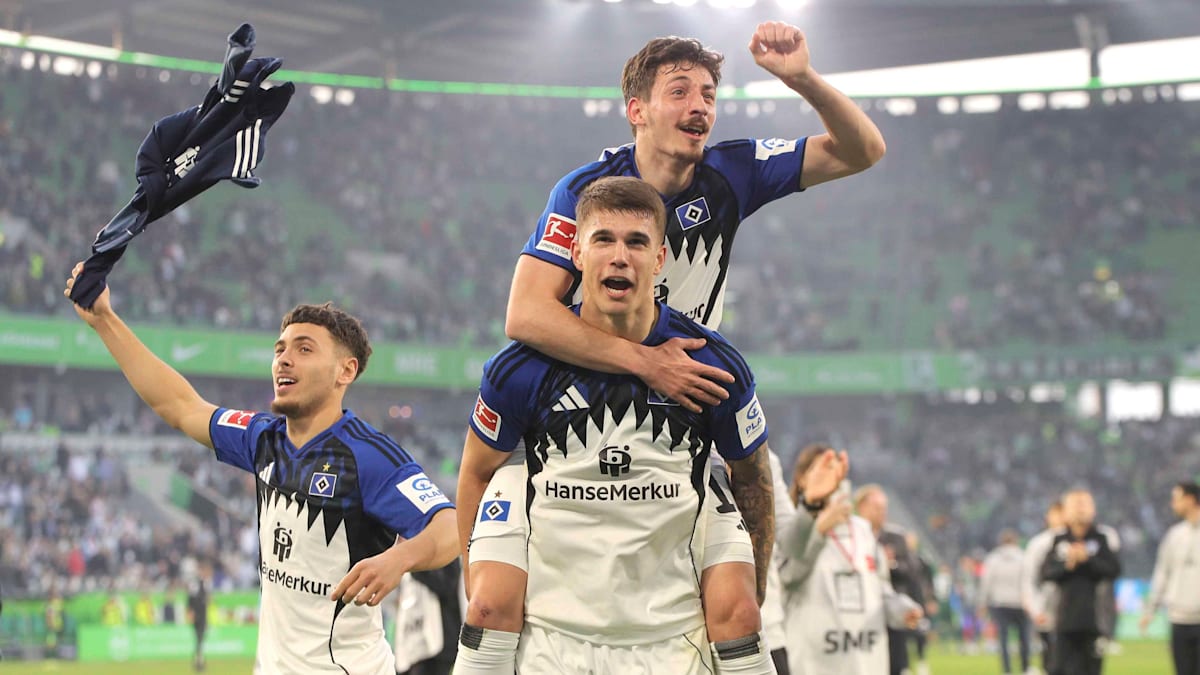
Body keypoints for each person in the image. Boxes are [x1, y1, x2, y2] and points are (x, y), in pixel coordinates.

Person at [461, 20, 887, 674]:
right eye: (680, 91)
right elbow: (526, 313)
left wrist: (802, 79)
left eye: (709, 94)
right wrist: (647, 361)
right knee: (515, 602)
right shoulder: (585, 193)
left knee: (745, 615)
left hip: (687, 409)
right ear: (637, 110)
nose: (699, 106)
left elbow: (864, 151)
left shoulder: (731, 171)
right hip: (582, 407)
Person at [63, 267, 458, 674]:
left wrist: (399, 559)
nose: (284, 359)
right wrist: (105, 321)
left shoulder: (369, 456)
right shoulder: (262, 437)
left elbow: (449, 527)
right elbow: (180, 406)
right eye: (280, 349)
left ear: (345, 371)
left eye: (304, 349)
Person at [457, 177, 775, 673]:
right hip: (551, 641)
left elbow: (752, 477)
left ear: (661, 258)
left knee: (742, 615)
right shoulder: (520, 370)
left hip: (671, 640)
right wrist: (472, 579)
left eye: (637, 242)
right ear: (577, 254)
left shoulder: (712, 365)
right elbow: (477, 473)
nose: (620, 257)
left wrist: (755, 589)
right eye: (603, 239)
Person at [777, 445, 921, 674]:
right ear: (802, 479)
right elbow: (786, 578)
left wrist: (901, 609)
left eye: (836, 471)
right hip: (815, 664)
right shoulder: (792, 530)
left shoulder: (863, 530)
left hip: (865, 662)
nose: (831, 479)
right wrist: (819, 531)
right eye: (822, 470)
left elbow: (880, 590)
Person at [1040, 489, 1120, 675]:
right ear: (1066, 511)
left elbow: (1113, 570)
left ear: (1093, 509)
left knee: (1090, 669)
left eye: (1084, 504)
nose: (1080, 509)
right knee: (1058, 669)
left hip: (1094, 619)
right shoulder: (1059, 540)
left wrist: (1088, 560)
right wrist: (1068, 565)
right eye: (1075, 505)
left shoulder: (1101, 539)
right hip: (1063, 619)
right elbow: (1046, 572)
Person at [854, 484, 925, 675]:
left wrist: (889, 565)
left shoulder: (896, 537)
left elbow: (912, 570)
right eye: (877, 507)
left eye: (884, 508)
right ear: (861, 507)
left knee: (896, 666)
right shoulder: (850, 536)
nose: (882, 512)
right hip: (861, 613)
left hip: (892, 614)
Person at [1140, 481, 1200, 675]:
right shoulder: (1174, 535)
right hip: (1178, 619)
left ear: (1190, 499)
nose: (1172, 504)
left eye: (1176, 499)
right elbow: (1162, 573)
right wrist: (1150, 609)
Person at [980, 529, 1031, 675]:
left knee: (1003, 639)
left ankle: (1007, 670)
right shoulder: (1023, 557)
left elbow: (986, 583)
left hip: (1000, 602)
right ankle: (1025, 668)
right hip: (1020, 602)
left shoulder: (992, 559)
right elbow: (1028, 581)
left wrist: (983, 602)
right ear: (1015, 541)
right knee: (1024, 638)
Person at [1023, 500, 1065, 674]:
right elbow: (1029, 578)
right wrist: (1035, 609)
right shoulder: (1039, 543)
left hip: (1072, 609)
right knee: (1050, 656)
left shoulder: (1078, 541)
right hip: (1046, 607)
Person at [187, 559, 213, 672]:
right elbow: (190, 598)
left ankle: (199, 660)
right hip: (197, 613)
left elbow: (207, 599)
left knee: (200, 638)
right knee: (199, 637)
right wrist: (190, 611)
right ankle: (198, 661)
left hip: (203, 614)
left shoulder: (206, 583)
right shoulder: (196, 583)